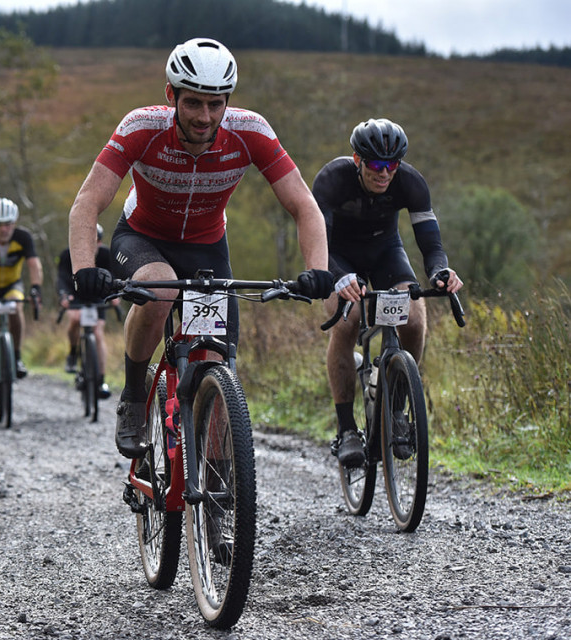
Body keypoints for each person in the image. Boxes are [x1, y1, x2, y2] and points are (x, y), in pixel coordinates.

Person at [66, 37, 333, 458]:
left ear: (228, 101)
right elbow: (88, 203)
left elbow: (304, 205)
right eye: (192, 103)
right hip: (142, 237)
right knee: (160, 288)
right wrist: (84, 268)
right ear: (170, 95)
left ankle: (218, 491)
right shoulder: (141, 127)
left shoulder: (250, 132)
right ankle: (134, 396)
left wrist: (317, 269)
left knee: (217, 366)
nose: (205, 116)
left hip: (208, 246)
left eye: (216, 104)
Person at [312, 117, 464, 467]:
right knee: (347, 323)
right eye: (377, 165)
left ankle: (396, 405)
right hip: (338, 256)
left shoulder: (410, 182)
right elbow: (319, 241)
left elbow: (430, 241)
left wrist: (440, 271)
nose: (384, 173)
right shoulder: (333, 179)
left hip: (385, 254)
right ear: (357, 160)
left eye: (392, 165)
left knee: (413, 319)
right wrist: (336, 276)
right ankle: (347, 428)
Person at [0, 197, 44, 402]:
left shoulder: (23, 237)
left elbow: (34, 265)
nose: (4, 229)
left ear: (14, 223)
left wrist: (36, 290)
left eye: (8, 225)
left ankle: (16, 357)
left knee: (15, 307)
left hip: (12, 286)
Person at [56, 223, 117, 399]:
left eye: (96, 241)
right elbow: (61, 279)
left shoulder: (106, 255)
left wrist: (115, 296)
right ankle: (73, 353)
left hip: (98, 297)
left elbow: (115, 277)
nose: (92, 245)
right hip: (76, 296)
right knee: (75, 319)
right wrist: (63, 296)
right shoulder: (67, 255)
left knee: (98, 334)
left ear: (100, 242)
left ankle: (101, 379)